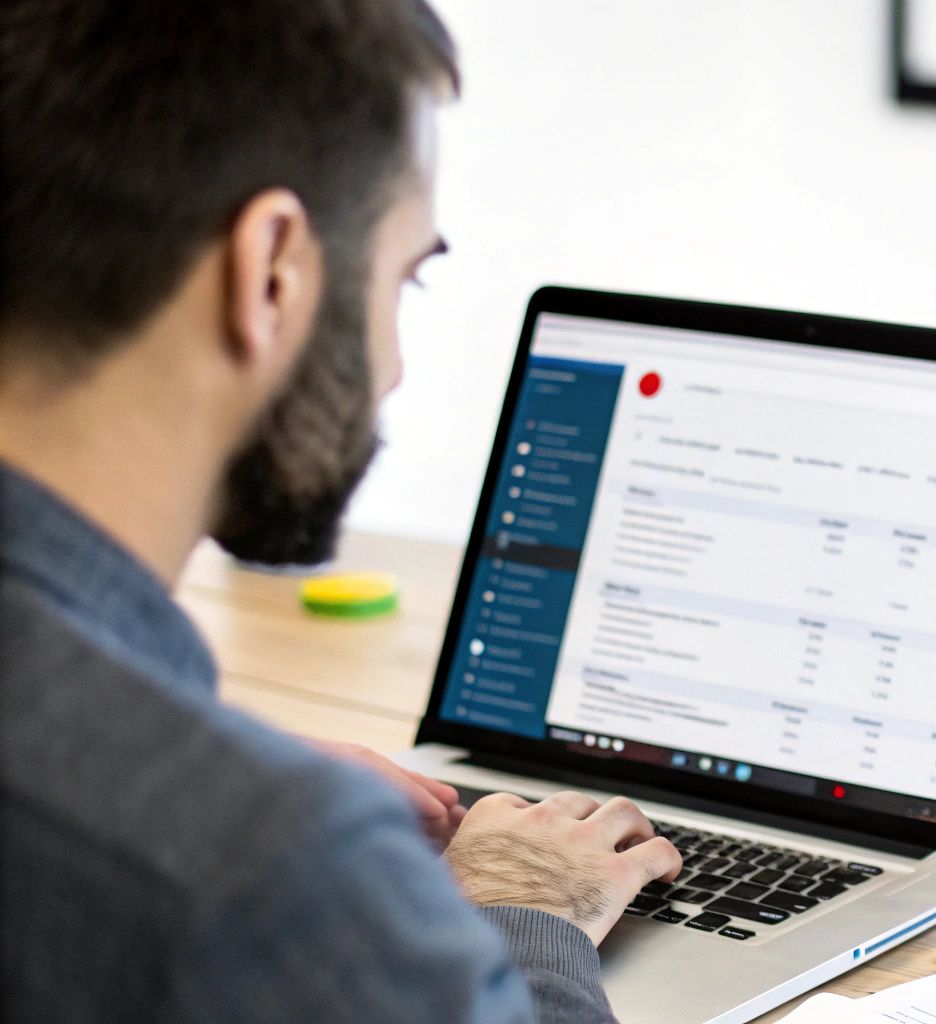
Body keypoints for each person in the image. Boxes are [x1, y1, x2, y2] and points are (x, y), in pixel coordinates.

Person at [0, 2, 682, 1021]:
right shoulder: (276, 878)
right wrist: (524, 907)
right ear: (272, 267)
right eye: (404, 277)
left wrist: (200, 750)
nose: (396, 366)